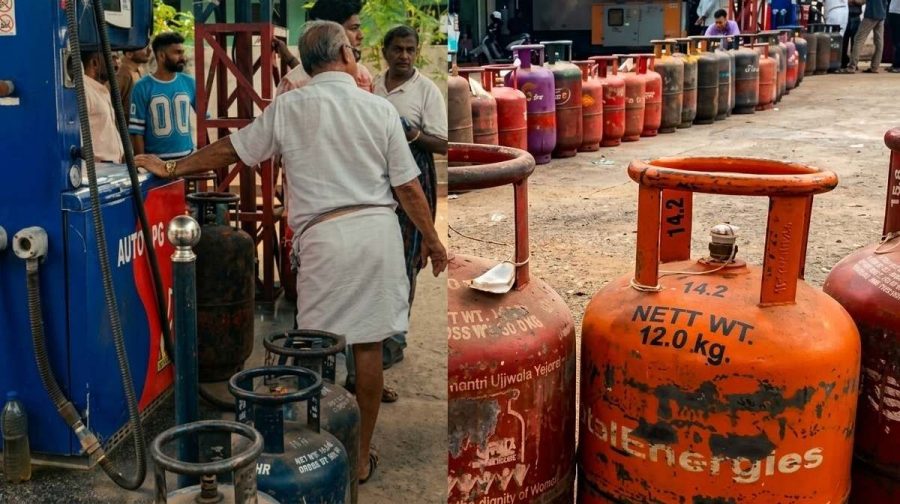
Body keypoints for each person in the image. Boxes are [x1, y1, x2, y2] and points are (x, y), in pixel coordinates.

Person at [135, 21, 448, 484]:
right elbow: (408, 187)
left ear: (308, 62)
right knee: (367, 348)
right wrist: (433, 241)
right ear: (345, 55)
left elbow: (232, 150)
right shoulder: (379, 109)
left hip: (323, 241)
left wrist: (172, 166)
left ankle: (312, 454)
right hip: (377, 236)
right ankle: (360, 456)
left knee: (313, 350)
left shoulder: (289, 107)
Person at [348, 25, 448, 395]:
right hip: (377, 180)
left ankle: (393, 340)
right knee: (379, 258)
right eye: (397, 49)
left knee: (408, 259)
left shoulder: (426, 91)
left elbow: (444, 144)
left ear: (416, 52)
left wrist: (413, 135)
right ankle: (375, 336)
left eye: (410, 49)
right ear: (385, 52)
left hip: (414, 178)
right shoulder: (372, 85)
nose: (404, 55)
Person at [273, 0, 373, 93]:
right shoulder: (293, 84)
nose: (361, 35)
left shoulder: (363, 76)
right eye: (354, 28)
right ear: (328, 30)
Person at [129, 32, 197, 158]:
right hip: (156, 162)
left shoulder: (190, 83)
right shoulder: (141, 87)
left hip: (187, 160)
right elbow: (136, 132)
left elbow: (205, 120)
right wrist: (142, 164)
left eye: (182, 52)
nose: (183, 57)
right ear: (161, 56)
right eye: (177, 53)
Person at [82, 51, 124, 163]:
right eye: (112, 57)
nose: (117, 62)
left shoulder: (100, 89)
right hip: (97, 167)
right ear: (95, 63)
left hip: (112, 166)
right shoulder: (84, 90)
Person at [847, 0, 889, 72]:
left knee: (858, 39)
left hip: (871, 14)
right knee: (879, 42)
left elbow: (862, 1)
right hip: (881, 15)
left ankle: (852, 66)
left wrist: (851, 1)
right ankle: (874, 67)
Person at [116, 44, 152, 123]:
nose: (149, 51)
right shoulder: (123, 75)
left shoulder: (139, 70)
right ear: (129, 54)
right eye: (144, 48)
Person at [842, 0, 864, 69]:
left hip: (856, 16)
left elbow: (863, 1)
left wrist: (854, 1)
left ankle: (853, 62)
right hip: (845, 16)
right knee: (843, 41)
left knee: (855, 42)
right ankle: (843, 62)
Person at [889, 0, 900, 71]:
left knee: (898, 41)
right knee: (895, 40)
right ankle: (895, 63)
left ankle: (898, 65)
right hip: (893, 12)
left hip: (898, 13)